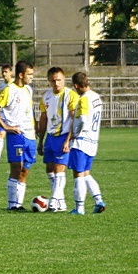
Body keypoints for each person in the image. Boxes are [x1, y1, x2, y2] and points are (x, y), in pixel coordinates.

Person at [0, 61, 36, 211]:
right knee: (16, 168)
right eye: (29, 74)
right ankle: (12, 205)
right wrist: (6, 126)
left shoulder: (28, 89)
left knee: (25, 169)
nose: (32, 78)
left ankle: (19, 204)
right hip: (17, 134)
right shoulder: (9, 90)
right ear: (21, 75)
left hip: (30, 135)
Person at [36, 67, 78, 212]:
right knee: (50, 169)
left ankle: (54, 200)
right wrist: (40, 140)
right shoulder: (46, 96)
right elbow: (43, 118)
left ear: (64, 79)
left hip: (64, 136)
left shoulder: (71, 96)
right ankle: (61, 202)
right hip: (50, 137)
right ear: (48, 81)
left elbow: (75, 120)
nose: (56, 83)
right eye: (53, 81)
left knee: (60, 169)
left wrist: (68, 140)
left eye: (59, 80)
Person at [68, 72, 106, 215]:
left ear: (76, 85)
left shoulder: (84, 99)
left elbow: (83, 119)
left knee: (78, 174)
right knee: (86, 173)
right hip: (93, 141)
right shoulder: (97, 97)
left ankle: (79, 208)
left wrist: (75, 133)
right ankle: (99, 201)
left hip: (82, 141)